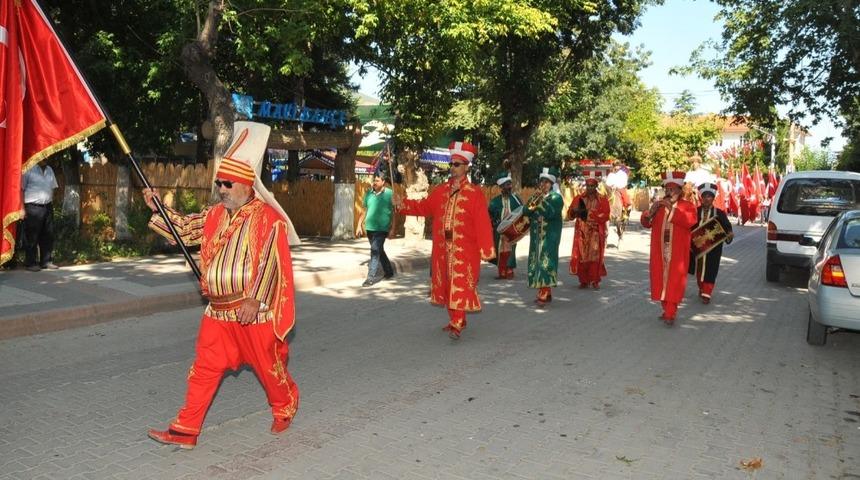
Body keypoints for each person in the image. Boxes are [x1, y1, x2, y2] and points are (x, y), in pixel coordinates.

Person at [144, 122, 299, 449]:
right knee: (203, 368)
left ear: (246, 185)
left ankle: (285, 405)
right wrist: (158, 206)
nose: (222, 189)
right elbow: (185, 230)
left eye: (228, 184)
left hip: (252, 313)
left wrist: (255, 300)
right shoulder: (214, 214)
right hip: (218, 313)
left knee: (270, 370)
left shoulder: (268, 219)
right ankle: (186, 430)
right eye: (220, 184)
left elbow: (272, 263)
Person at [393, 141, 495, 339]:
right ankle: (456, 318)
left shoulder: (475, 194)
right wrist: (402, 204)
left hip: (465, 248)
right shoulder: (441, 190)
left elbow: (483, 223)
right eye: (451, 164)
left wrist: (486, 248)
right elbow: (423, 207)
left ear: (466, 167)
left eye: (457, 164)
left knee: (461, 282)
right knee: (446, 283)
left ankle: (458, 320)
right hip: (442, 247)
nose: (452, 168)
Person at [640, 171, 698, 325]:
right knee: (660, 279)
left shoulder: (688, 206)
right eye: (667, 189)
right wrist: (649, 213)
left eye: (672, 189)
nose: (669, 192)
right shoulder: (659, 205)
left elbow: (690, 222)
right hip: (660, 250)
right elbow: (646, 223)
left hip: (677, 252)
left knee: (674, 280)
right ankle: (666, 308)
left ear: (679, 190)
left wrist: (671, 209)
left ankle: (671, 313)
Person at [524, 167, 564, 307]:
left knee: (546, 263)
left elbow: (549, 213)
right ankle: (546, 292)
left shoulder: (557, 198)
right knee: (536, 263)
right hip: (536, 238)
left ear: (552, 184)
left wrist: (539, 203)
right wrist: (534, 200)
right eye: (542, 181)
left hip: (549, 238)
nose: (543, 185)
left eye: (547, 182)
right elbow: (525, 211)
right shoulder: (537, 196)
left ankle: (544, 293)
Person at [688, 183, 734, 304]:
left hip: (714, 249)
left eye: (709, 196)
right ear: (701, 198)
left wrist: (729, 234)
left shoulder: (720, 213)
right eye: (704, 196)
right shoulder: (695, 212)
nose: (707, 199)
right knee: (699, 271)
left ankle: (707, 293)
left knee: (711, 270)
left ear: (713, 198)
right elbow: (688, 228)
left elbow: (727, 228)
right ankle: (702, 288)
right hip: (698, 249)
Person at [568, 171, 610, 289]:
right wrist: (573, 211)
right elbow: (570, 214)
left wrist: (591, 215)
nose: (590, 188)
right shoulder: (579, 198)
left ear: (596, 186)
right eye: (588, 186)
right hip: (582, 232)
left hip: (595, 232)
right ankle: (583, 280)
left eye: (592, 186)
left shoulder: (602, 199)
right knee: (582, 255)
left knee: (594, 255)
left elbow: (606, 215)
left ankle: (594, 280)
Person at [356, 173, 394, 286]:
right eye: (374, 180)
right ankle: (389, 271)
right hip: (370, 228)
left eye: (377, 181)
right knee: (379, 251)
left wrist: (393, 228)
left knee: (374, 250)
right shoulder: (368, 194)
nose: (375, 183)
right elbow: (364, 211)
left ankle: (370, 278)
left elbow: (395, 212)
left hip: (382, 228)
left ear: (383, 182)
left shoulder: (390, 194)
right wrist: (359, 225)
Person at [21, 160, 59, 271]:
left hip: (47, 206)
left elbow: (53, 188)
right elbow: (21, 189)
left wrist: (51, 202)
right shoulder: (28, 169)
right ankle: (31, 263)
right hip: (33, 207)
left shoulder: (50, 170)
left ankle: (46, 261)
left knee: (48, 234)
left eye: (48, 156)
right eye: (44, 154)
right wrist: (22, 208)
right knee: (32, 236)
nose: (46, 157)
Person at [488, 171, 523, 279]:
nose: (509, 187)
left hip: (512, 230)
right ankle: (501, 271)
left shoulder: (516, 199)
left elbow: (522, 211)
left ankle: (509, 270)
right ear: (501, 187)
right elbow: (489, 215)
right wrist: (494, 222)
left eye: (510, 184)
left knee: (510, 250)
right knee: (500, 250)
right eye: (507, 185)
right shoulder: (495, 202)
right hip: (499, 230)